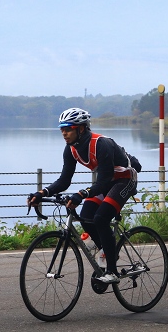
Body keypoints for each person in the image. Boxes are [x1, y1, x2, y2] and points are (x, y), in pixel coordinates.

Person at [27, 107, 141, 284]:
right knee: (87, 215)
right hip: (107, 181)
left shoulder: (101, 144)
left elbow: (102, 182)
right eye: (62, 129)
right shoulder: (71, 149)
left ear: (80, 128)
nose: (64, 133)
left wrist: (81, 194)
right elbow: (64, 180)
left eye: (68, 129)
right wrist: (43, 193)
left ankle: (112, 271)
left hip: (124, 180)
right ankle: (107, 249)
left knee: (101, 217)